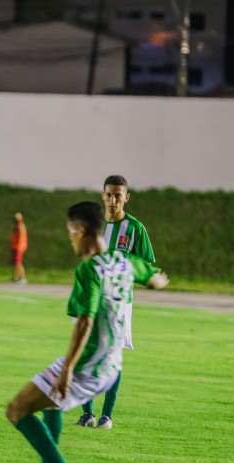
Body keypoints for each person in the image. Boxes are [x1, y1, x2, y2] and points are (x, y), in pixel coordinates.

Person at [5, 202, 167, 463]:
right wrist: (156, 282)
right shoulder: (123, 260)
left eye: (70, 233)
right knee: (51, 406)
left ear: (81, 231)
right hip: (111, 367)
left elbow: (84, 321)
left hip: (87, 365)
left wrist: (67, 368)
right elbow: (152, 276)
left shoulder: (89, 270)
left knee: (17, 410)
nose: (70, 240)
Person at [77, 174, 156, 430]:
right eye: (109, 194)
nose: (113, 200)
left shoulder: (135, 229)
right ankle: (87, 413)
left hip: (119, 302)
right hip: (93, 300)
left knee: (113, 354)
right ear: (103, 195)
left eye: (118, 195)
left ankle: (106, 416)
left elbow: (147, 265)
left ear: (126, 197)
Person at [10, 212, 28, 284]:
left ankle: (23, 278)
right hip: (15, 246)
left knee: (18, 262)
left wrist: (19, 248)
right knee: (15, 263)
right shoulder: (16, 226)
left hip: (19, 247)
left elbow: (22, 238)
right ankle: (16, 277)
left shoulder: (21, 226)